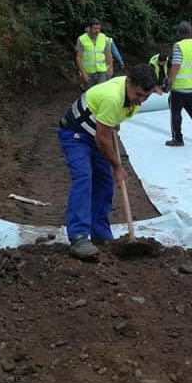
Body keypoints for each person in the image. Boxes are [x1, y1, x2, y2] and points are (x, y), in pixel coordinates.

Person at [57, 65, 157, 259]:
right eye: (139, 95)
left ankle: (100, 233)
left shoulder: (132, 97)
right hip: (75, 134)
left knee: (104, 183)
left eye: (147, 96)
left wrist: (114, 122)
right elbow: (102, 139)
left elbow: (107, 128)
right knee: (84, 179)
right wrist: (117, 166)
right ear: (129, 82)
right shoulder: (113, 97)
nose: (142, 100)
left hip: (96, 134)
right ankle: (78, 236)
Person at [75, 20, 113, 89]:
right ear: (89, 28)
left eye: (99, 28)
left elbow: (108, 54)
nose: (97, 31)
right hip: (88, 73)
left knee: (101, 91)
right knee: (89, 92)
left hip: (102, 71)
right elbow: (78, 58)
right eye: (95, 28)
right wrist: (83, 73)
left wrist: (110, 68)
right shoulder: (81, 39)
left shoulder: (103, 37)